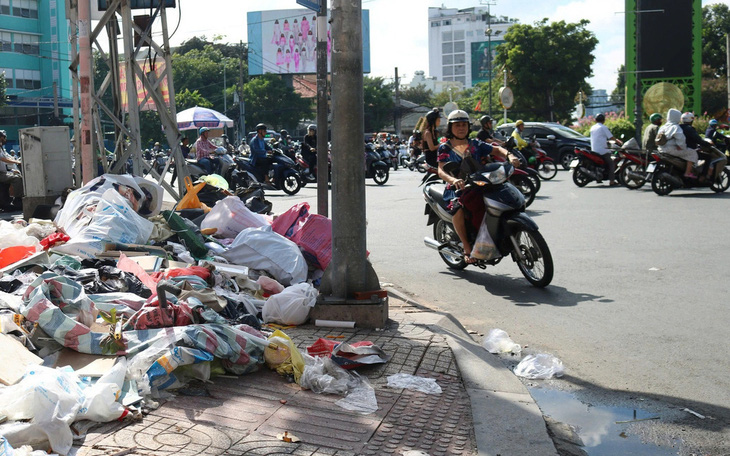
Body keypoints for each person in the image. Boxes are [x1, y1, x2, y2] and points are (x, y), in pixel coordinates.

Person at [437, 110, 520, 264]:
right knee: (458, 208)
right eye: (457, 125)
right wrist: (453, 180)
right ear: (450, 127)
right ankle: (468, 248)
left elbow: (496, 149)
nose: (461, 128)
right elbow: (441, 170)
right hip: (457, 187)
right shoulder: (445, 148)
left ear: (468, 127)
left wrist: (510, 156)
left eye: (464, 125)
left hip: (480, 182)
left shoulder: (475, 143)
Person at [680, 112, 727, 181]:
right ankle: (703, 176)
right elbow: (698, 139)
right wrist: (707, 144)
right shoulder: (690, 129)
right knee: (708, 157)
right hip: (688, 150)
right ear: (691, 120)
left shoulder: (679, 127)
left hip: (681, 149)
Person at [657, 108, 697, 179]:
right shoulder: (676, 127)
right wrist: (681, 147)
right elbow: (681, 139)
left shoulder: (663, 127)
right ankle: (687, 173)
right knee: (692, 153)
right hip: (672, 149)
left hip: (661, 149)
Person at [589, 113, 623, 186]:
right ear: (604, 120)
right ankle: (612, 181)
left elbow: (598, 138)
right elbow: (611, 137)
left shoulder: (592, 128)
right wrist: (618, 141)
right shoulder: (603, 127)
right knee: (611, 164)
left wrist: (606, 141)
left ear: (595, 120)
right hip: (602, 151)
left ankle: (599, 178)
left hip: (594, 151)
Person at [0, 130, 23, 210]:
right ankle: (18, 200)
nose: (5, 139)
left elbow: (6, 161)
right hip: (1, 173)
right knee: (16, 179)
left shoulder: (2, 149)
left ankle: (8, 201)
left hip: (3, 172)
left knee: (18, 175)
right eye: (4, 137)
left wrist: (12, 170)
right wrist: (17, 162)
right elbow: (2, 159)